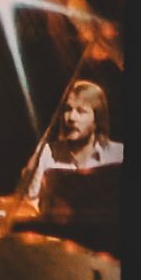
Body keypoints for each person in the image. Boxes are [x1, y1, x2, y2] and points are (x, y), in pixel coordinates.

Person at [25, 78, 124, 207]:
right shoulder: (47, 153)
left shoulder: (118, 155)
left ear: (97, 119)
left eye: (81, 111)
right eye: (67, 109)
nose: (71, 118)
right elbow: (30, 202)